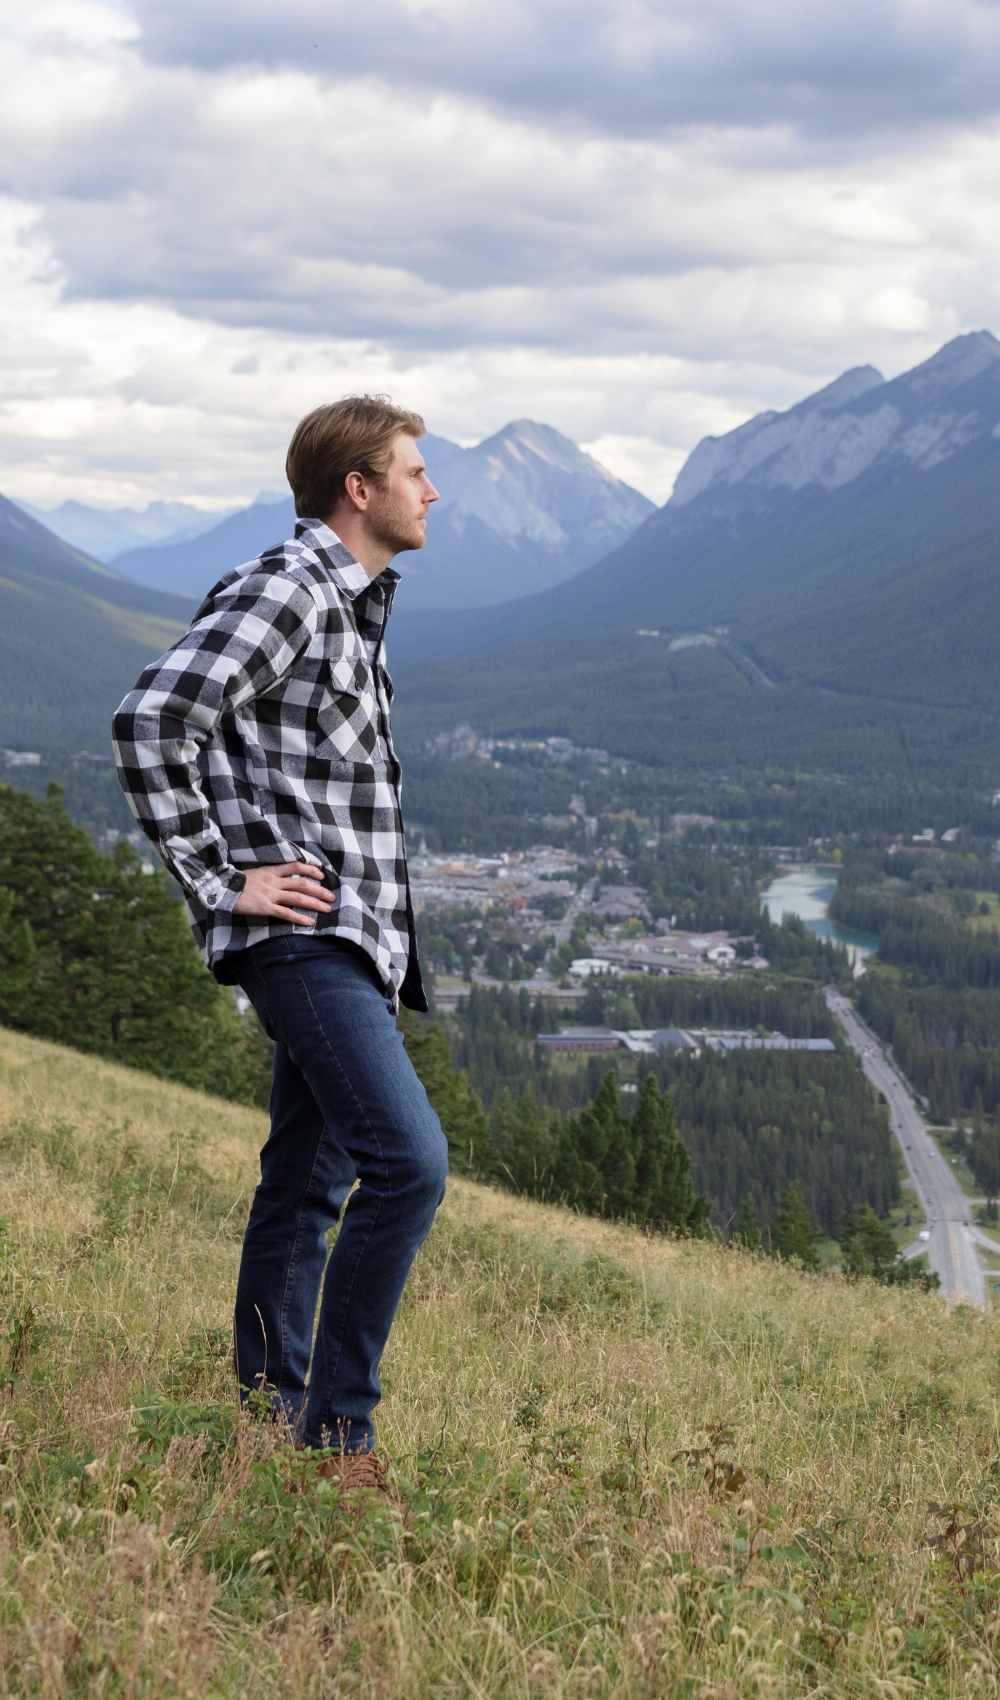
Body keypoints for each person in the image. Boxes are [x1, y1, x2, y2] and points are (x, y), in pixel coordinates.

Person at [113, 395, 448, 1489]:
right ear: (358, 487)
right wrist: (222, 879)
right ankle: (337, 1432)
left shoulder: (350, 602)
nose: (430, 490)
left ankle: (266, 1419)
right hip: (303, 935)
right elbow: (153, 716)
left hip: (348, 938)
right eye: (412, 471)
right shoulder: (293, 586)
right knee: (408, 1162)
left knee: (307, 1183)